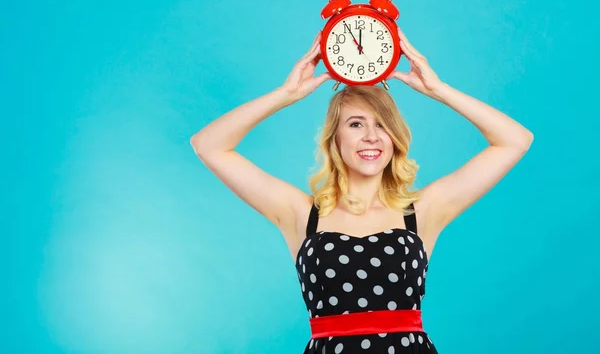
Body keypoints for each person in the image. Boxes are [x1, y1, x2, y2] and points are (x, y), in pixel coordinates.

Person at [190, 28, 533, 353]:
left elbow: (515, 140)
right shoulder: (300, 214)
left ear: (395, 137)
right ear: (335, 139)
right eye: (356, 124)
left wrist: (438, 89)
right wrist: (286, 95)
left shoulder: (422, 211)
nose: (372, 136)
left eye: (382, 125)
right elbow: (209, 145)